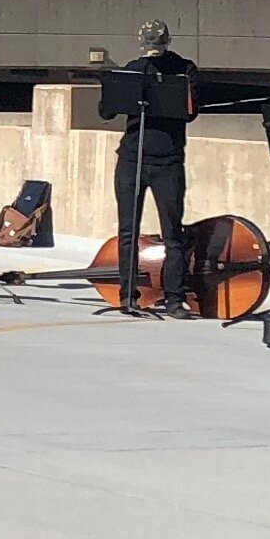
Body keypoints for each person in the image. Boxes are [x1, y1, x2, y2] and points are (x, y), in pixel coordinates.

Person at [112, 19, 196, 316]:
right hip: (132, 158)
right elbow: (106, 109)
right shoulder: (133, 70)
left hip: (168, 161)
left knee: (173, 232)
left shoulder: (184, 69)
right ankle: (127, 294)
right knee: (128, 229)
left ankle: (174, 297)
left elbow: (190, 112)